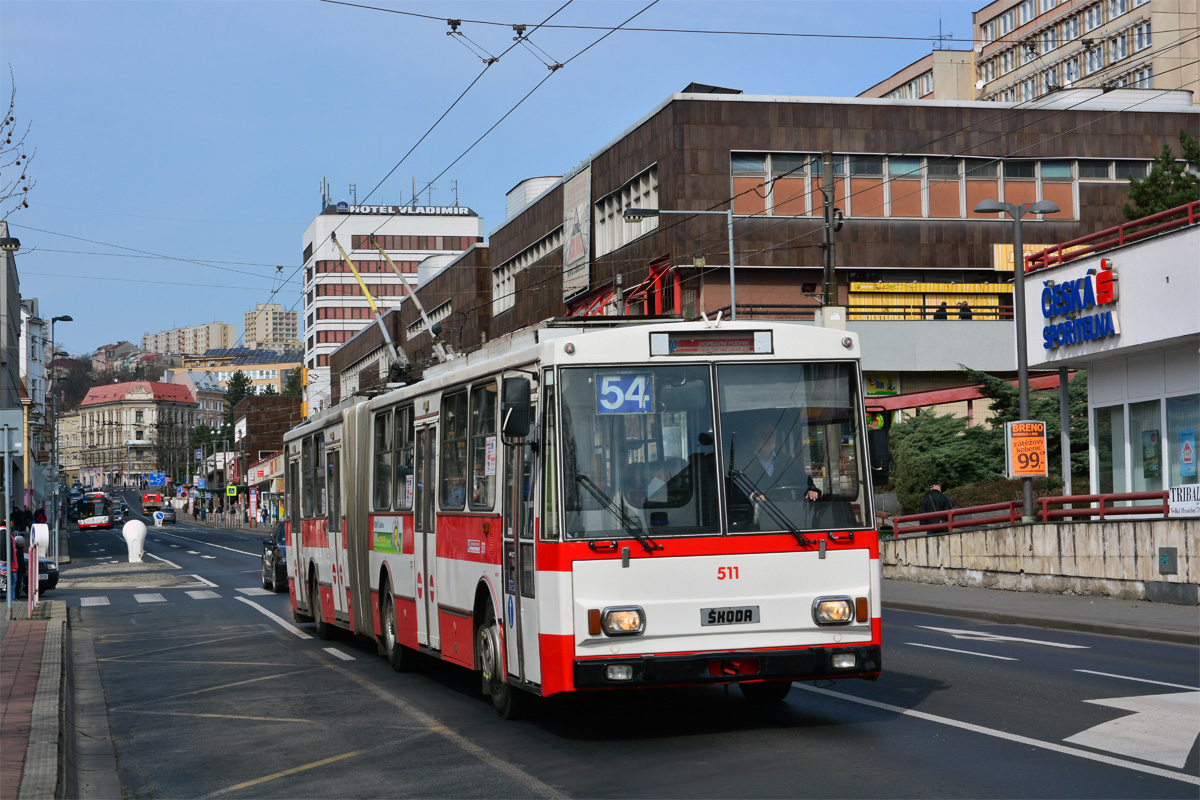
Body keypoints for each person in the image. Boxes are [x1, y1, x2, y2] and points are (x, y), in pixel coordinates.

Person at [740, 421, 820, 503]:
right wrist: (752, 495)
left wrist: (811, 490)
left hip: (786, 510)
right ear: (755, 440)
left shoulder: (786, 459)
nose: (768, 438)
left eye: (771, 434)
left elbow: (803, 479)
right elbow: (741, 489)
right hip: (759, 510)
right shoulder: (745, 463)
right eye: (763, 435)